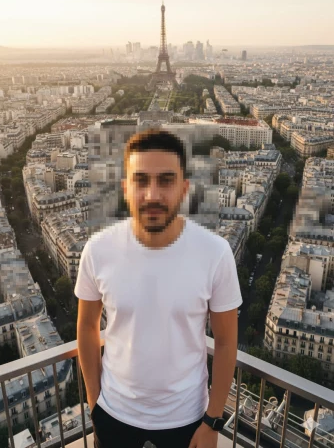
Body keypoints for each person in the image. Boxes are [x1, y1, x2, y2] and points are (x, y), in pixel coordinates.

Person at [75, 128, 242, 448]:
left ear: (184, 189)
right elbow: (85, 326)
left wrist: (212, 421)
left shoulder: (216, 253)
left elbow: (226, 341)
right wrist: (95, 403)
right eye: (141, 180)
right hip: (113, 413)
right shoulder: (97, 251)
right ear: (126, 188)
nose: (152, 194)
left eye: (166, 180)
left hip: (190, 418)